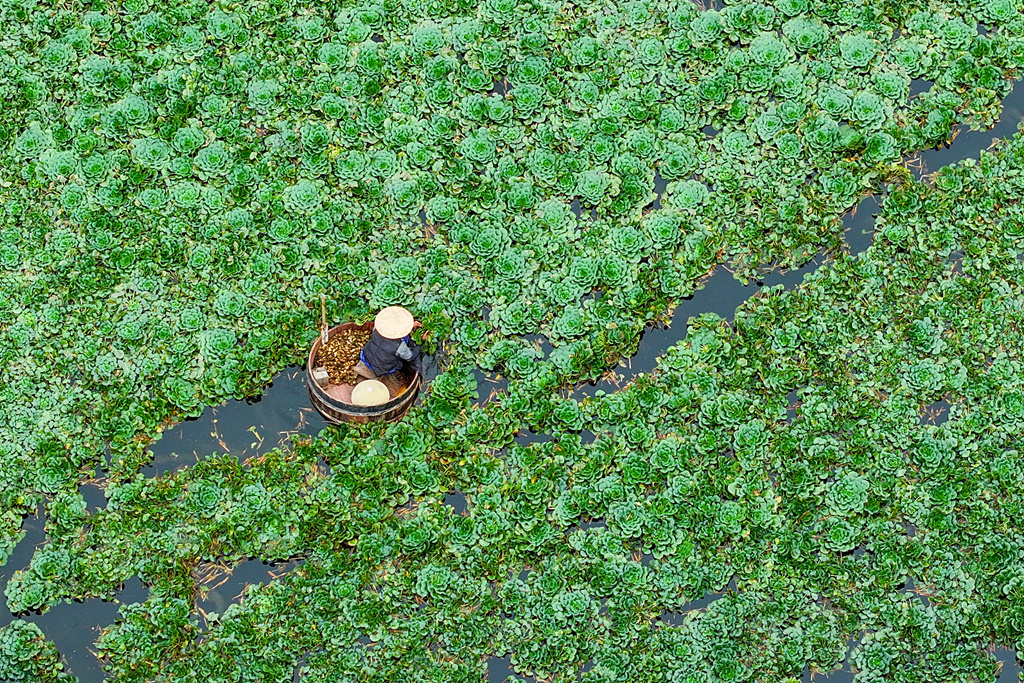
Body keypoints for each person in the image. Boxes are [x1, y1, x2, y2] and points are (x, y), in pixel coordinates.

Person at [353, 306, 423, 380]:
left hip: (365, 355)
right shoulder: (399, 347)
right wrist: (421, 341)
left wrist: (410, 326)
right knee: (400, 364)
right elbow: (410, 357)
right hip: (381, 368)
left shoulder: (378, 328)